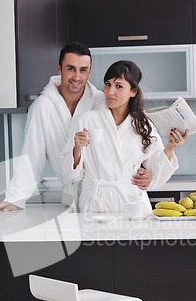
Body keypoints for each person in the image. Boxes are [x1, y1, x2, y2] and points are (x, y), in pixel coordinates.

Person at [0, 43, 152, 212]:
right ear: (60, 69)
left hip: (109, 198)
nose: (77, 76)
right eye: (71, 69)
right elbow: (32, 157)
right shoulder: (43, 107)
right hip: (71, 196)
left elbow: (128, 138)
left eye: (83, 70)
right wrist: (15, 198)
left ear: (90, 71)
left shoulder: (102, 101)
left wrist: (147, 171)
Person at [61, 60, 188, 213]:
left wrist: (169, 148)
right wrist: (77, 150)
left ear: (133, 91)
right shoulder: (86, 120)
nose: (110, 92)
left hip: (132, 205)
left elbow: (154, 173)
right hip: (95, 205)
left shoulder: (144, 125)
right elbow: (69, 176)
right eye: (108, 84)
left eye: (119, 86)